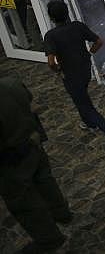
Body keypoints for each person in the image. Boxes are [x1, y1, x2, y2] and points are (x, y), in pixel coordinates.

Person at [1, 75, 72, 253]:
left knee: (23, 200)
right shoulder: (12, 83)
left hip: (11, 159)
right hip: (33, 143)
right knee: (45, 180)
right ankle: (62, 212)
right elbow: (29, 103)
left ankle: (49, 238)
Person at [43, 1, 105, 154]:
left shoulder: (51, 36)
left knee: (85, 104)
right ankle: (88, 123)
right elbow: (98, 41)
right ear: (67, 13)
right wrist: (89, 53)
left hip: (70, 74)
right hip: (85, 69)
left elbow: (51, 62)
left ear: (51, 18)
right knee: (80, 98)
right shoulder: (78, 26)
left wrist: (58, 70)